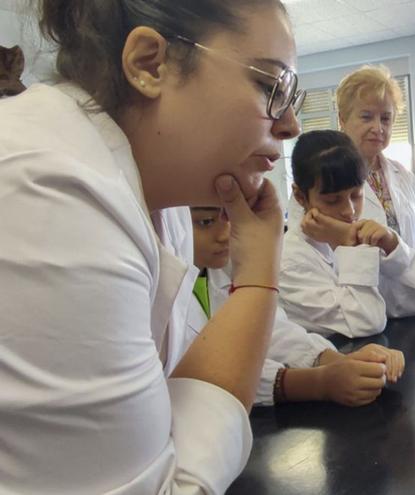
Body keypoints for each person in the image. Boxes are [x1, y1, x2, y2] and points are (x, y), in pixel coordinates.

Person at [0, 1, 300, 492]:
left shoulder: (164, 204)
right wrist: (258, 279)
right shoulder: (47, 189)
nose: (291, 125)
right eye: (270, 87)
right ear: (149, 64)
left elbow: (172, 402)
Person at [186, 207, 405, 407]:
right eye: (205, 222)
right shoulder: (286, 257)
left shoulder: (220, 270)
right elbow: (206, 374)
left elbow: (272, 330)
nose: (226, 234)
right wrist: (319, 382)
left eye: (231, 218)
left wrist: (340, 361)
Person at [279, 130, 415, 337]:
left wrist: (391, 246)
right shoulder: (289, 259)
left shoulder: (357, 234)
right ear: (300, 196)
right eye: (332, 200)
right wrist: (348, 246)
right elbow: (368, 321)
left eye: (356, 195)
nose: (349, 211)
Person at [332, 64, 415, 284]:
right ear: (342, 119)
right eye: (366, 117)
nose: (378, 127)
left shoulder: (403, 176)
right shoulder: (321, 178)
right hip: (354, 306)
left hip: (411, 301)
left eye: (385, 118)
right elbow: (312, 254)